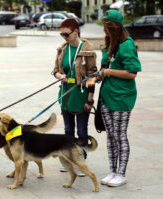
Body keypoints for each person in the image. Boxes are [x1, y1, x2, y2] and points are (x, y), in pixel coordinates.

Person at [90, 9, 141, 187]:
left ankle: (122, 173)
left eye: (106, 27)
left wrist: (108, 72)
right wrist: (95, 77)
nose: (103, 30)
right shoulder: (109, 43)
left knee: (120, 135)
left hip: (122, 98)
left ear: (113, 27)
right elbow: (104, 68)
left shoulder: (127, 44)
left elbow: (132, 73)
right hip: (106, 97)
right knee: (110, 136)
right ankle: (112, 171)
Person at [52, 18, 97, 176]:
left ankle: (81, 162)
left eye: (66, 34)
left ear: (75, 31)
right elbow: (55, 70)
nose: (64, 37)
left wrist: (90, 99)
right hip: (65, 94)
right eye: (61, 34)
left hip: (81, 95)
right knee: (68, 130)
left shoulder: (88, 49)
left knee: (82, 131)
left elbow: (93, 75)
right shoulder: (62, 49)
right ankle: (69, 160)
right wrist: (60, 76)